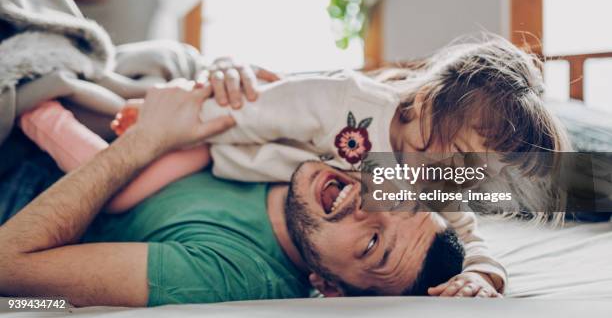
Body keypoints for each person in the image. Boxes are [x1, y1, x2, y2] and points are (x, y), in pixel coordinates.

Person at [0, 82, 493, 307]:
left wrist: (150, 138)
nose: (365, 207)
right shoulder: (324, 147)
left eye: (370, 246)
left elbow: (9, 267)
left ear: (330, 288)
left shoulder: (231, 276)